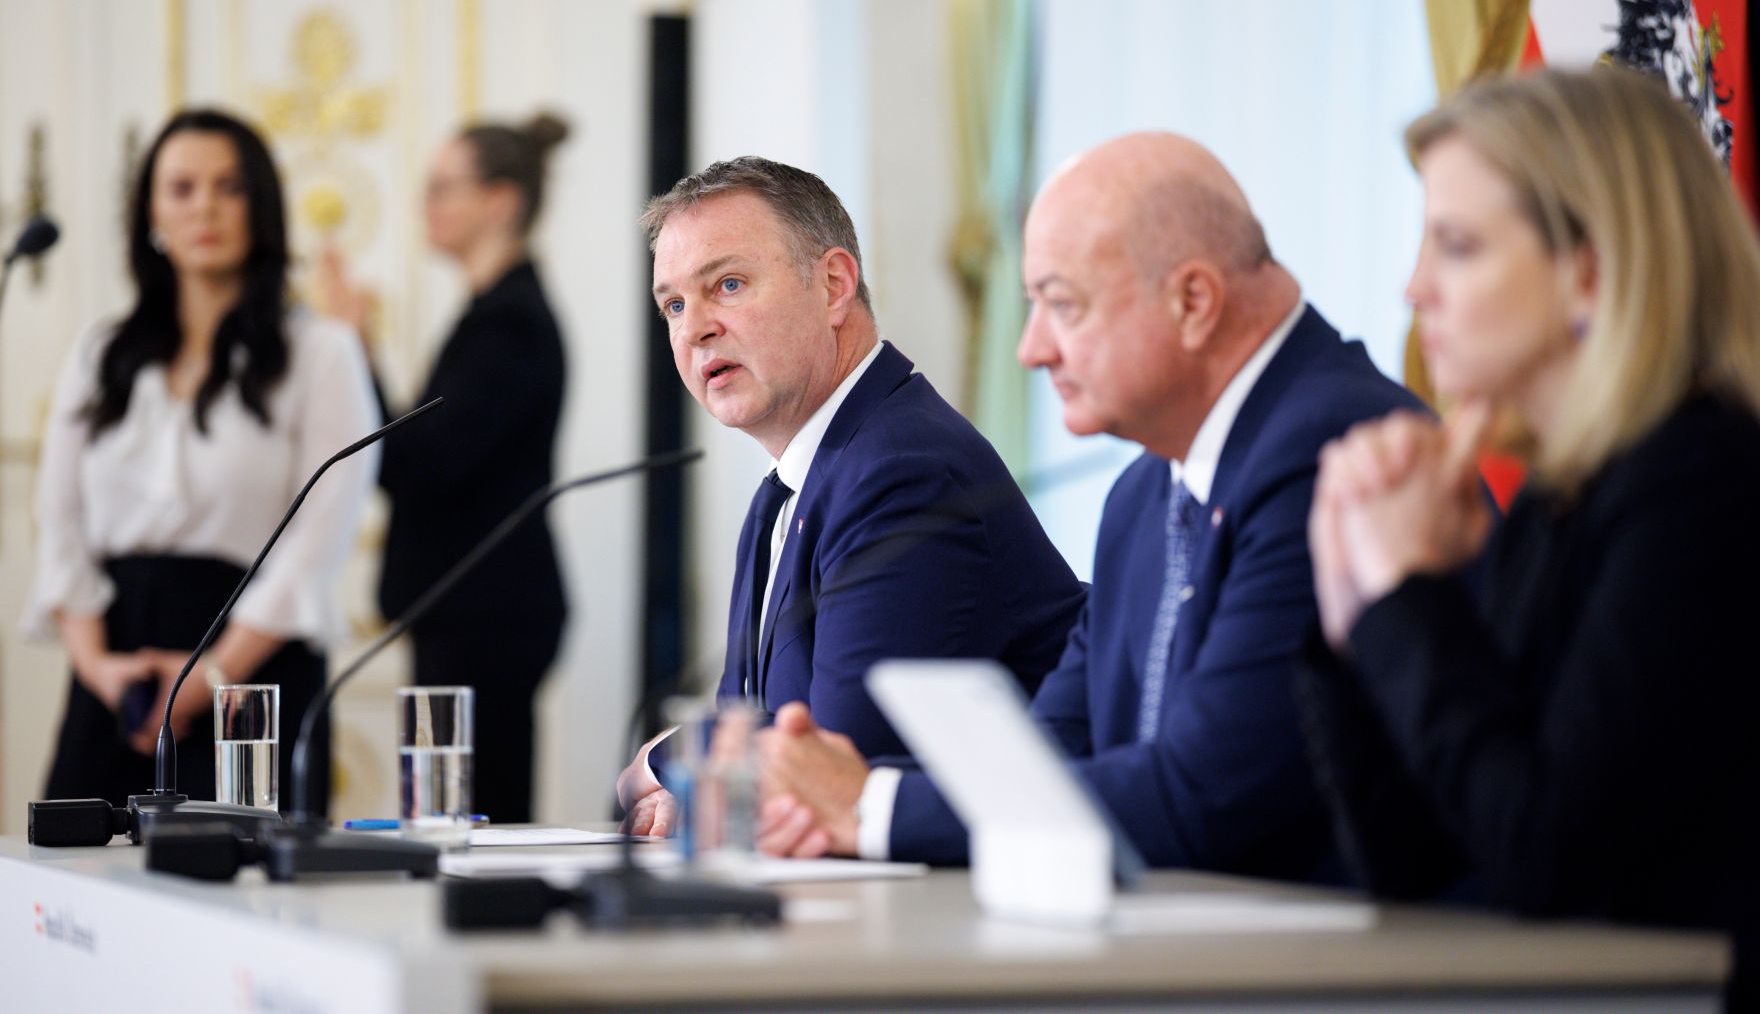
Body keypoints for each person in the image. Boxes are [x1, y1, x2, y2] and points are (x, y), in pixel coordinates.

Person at [752, 132, 1422, 872]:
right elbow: (1041, 766)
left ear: (1194, 300)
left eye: (1061, 304)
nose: (1031, 348)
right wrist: (825, 792)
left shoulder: (1339, 451)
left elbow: (1205, 793)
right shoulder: (1140, 495)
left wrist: (869, 805)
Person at [1298, 67, 1760, 1005]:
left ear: (1589, 267)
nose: (1414, 287)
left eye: (1457, 246)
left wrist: (1408, 598)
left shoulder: (1703, 483)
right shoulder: (1565, 497)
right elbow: (1411, 861)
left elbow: (1547, 856)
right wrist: (1354, 609)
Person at [620, 156, 1084, 836]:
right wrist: (698, 786)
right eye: (674, 305)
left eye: (728, 283)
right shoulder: (784, 492)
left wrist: (662, 763)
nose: (695, 328)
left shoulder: (903, 470)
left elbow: (836, 766)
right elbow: (750, 731)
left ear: (834, 284)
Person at [23, 108, 377, 815]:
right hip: (116, 674)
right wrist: (100, 668)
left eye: (230, 187)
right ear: (151, 210)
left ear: (263, 207)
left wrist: (212, 675)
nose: (205, 207)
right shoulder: (100, 352)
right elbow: (58, 523)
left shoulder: (321, 352)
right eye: (181, 188)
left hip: (255, 675)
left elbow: (316, 544)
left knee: (250, 903)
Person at [324, 115, 570, 825]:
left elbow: (421, 463)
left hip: (486, 615)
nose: (424, 205)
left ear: (500, 202)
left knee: (470, 835)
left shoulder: (511, 324)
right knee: (450, 825)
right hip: (472, 613)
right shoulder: (493, 315)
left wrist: (355, 350)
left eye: (442, 188)